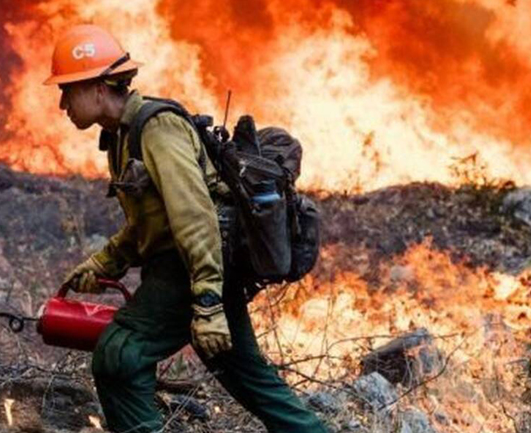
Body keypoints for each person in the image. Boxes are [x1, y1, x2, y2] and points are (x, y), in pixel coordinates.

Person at [44, 24, 327, 433]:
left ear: (100, 88)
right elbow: (150, 223)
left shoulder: (157, 128)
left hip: (191, 269)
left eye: (68, 90)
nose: (62, 105)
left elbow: (194, 216)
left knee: (120, 355)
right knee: (253, 381)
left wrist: (208, 303)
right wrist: (105, 262)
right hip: (193, 268)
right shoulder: (122, 137)